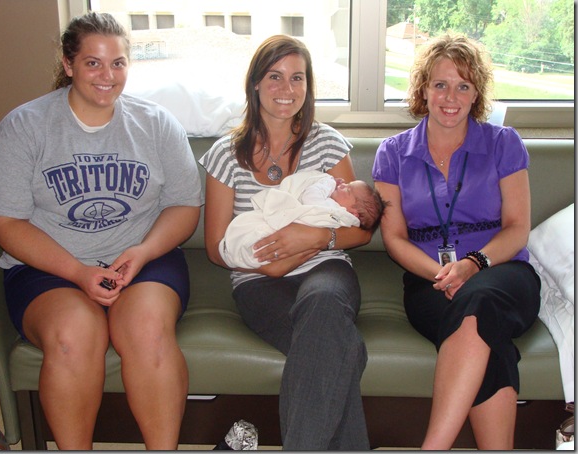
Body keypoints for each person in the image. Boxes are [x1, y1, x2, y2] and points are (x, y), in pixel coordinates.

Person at [0, 12, 202, 450]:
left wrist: (143, 251)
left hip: (143, 259)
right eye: (93, 63)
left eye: (117, 63)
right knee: (74, 335)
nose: (107, 76)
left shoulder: (157, 124)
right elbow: (5, 225)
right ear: (68, 64)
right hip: (49, 268)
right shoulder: (24, 127)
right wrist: (78, 272)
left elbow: (184, 207)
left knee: (147, 330)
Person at [199, 35, 375, 450]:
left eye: (297, 78)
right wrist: (271, 264)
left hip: (325, 267)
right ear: (255, 84)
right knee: (339, 347)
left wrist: (316, 236)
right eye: (275, 76)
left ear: (308, 86)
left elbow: (362, 228)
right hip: (258, 280)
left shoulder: (326, 142)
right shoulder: (226, 153)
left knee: (324, 307)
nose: (287, 88)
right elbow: (215, 246)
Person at [372, 33, 540, 450]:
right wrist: (443, 273)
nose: (451, 97)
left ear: (476, 93)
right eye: (440, 85)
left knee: (480, 299)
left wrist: (472, 265)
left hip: (503, 272)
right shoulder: (392, 153)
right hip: (429, 281)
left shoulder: (503, 143)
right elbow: (394, 238)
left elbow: (517, 227)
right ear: (423, 89)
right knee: (490, 340)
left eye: (463, 86)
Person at [219, 170, 385, 269]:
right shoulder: (336, 208)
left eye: (347, 190)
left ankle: (242, 250)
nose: (341, 184)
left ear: (353, 213)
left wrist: (327, 183)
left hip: (322, 266)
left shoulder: (334, 211)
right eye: (346, 185)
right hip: (268, 269)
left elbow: (310, 197)